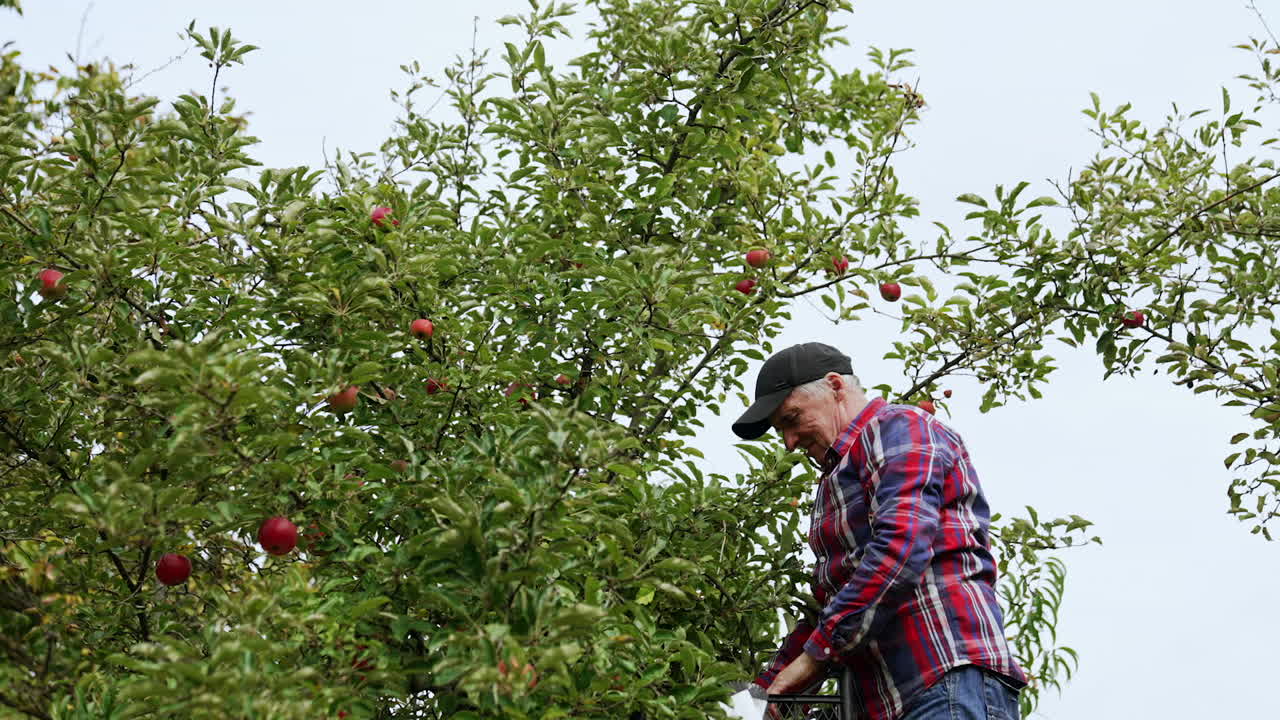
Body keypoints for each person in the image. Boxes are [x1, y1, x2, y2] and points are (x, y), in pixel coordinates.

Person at [732, 342, 1027, 720]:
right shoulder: (838, 474)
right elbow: (833, 605)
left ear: (835, 386)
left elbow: (900, 550)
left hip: (942, 678)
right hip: (892, 701)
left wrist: (814, 659)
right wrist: (767, 694)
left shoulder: (896, 427)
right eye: (781, 431)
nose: (789, 442)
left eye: (792, 418)